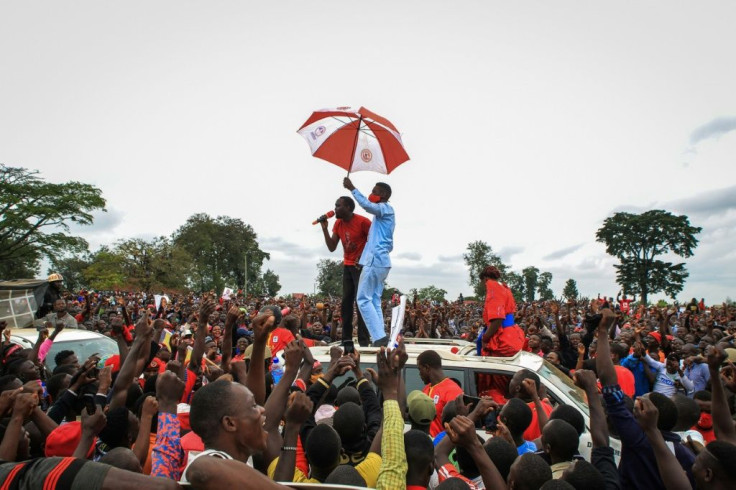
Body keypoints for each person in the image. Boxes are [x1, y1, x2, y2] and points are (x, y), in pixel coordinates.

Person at [343, 177, 394, 346]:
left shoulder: (385, 208)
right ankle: (380, 336)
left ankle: (378, 338)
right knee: (374, 300)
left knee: (363, 299)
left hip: (376, 261)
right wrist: (363, 259)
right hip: (379, 262)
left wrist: (352, 189)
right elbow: (376, 242)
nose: (371, 194)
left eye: (375, 192)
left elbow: (367, 206)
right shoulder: (382, 217)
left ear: (385, 194)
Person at [319, 195, 372, 346]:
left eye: (338, 206)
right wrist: (324, 229)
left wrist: (363, 258)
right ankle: (346, 339)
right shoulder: (338, 223)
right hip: (348, 265)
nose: (335, 209)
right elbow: (331, 247)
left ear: (348, 207)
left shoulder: (363, 222)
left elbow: (373, 242)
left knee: (360, 302)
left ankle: (363, 340)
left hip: (360, 266)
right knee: (346, 303)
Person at [418, 349, 463, 437]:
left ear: (427, 368)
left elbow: (457, 427)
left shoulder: (453, 391)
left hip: (442, 447)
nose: (419, 374)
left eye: (420, 369)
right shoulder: (426, 388)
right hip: (426, 445)